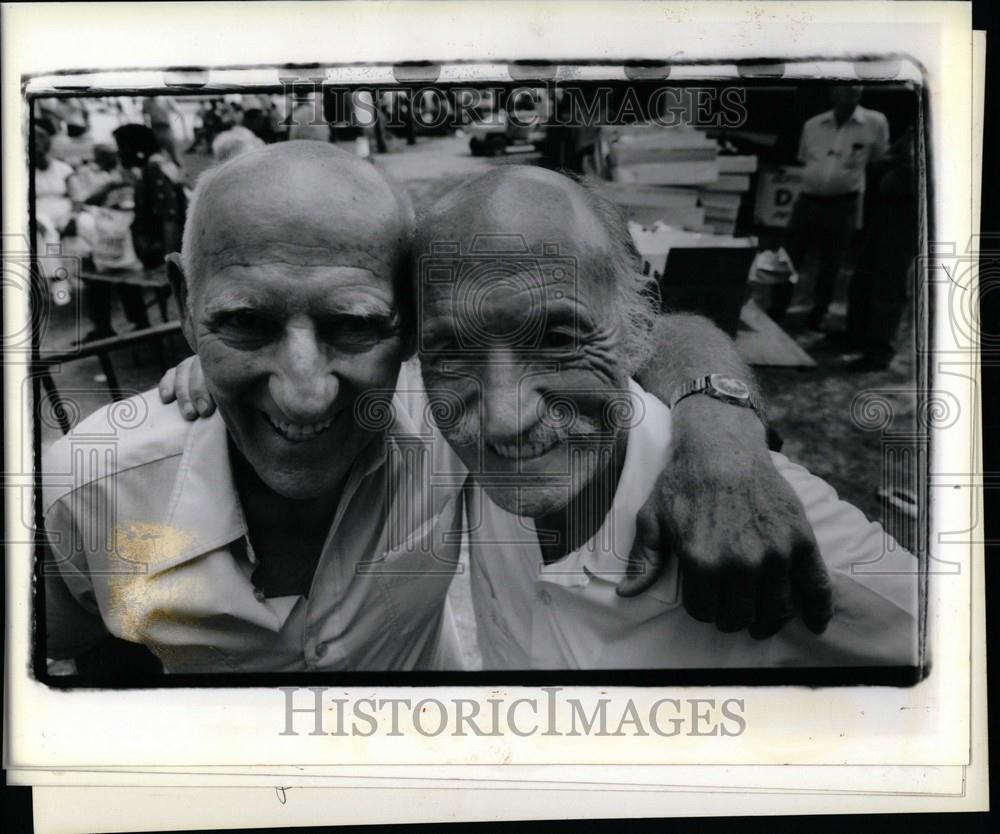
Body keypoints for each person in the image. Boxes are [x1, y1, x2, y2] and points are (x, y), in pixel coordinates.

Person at [43, 143, 830, 678]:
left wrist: (720, 436)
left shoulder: (458, 414)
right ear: (185, 304)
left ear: (413, 330)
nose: (305, 389)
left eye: (354, 324)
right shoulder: (88, 488)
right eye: (244, 322)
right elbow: (85, 661)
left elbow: (651, 331)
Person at [409, 167, 917, 669]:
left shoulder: (764, 523)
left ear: (639, 316)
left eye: (557, 341)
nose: (503, 419)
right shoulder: (449, 446)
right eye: (452, 353)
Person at [769, 86, 889, 330]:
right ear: (833, 91)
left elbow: (879, 159)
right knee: (790, 256)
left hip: (844, 203)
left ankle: (818, 314)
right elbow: (805, 158)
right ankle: (777, 308)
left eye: (857, 84)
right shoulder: (813, 125)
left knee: (831, 262)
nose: (852, 89)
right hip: (808, 200)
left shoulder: (875, 122)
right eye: (845, 85)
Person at [840, 127, 918, 372]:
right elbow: (883, 159)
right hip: (887, 208)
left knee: (889, 282)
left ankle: (879, 351)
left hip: (908, 210)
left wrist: (891, 162)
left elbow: (911, 164)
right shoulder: (915, 129)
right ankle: (857, 335)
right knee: (864, 274)